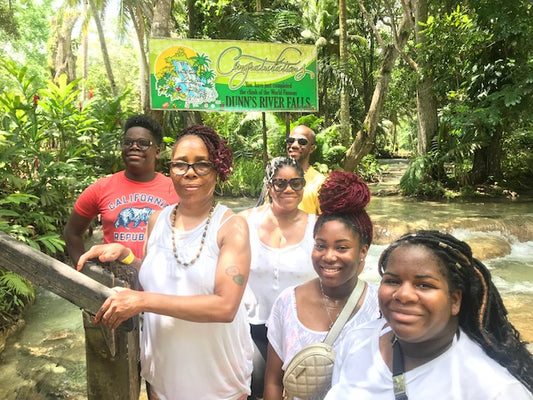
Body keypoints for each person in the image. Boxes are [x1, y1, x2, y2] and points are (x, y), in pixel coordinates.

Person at [77, 125, 254, 400]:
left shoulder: (232, 227)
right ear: (170, 170)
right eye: (180, 164)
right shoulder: (156, 220)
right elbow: (159, 276)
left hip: (217, 379)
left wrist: (141, 301)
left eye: (202, 164)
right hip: (162, 374)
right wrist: (125, 255)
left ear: (217, 170)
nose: (190, 172)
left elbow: (225, 306)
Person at [325, 230, 533, 399]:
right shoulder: (357, 342)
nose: (403, 295)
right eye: (392, 281)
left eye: (424, 285)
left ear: (455, 300)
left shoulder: (493, 389)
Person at [264, 171, 381, 400]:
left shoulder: (380, 307)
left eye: (341, 248)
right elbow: (273, 382)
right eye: (320, 245)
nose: (328, 256)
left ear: (363, 251)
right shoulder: (288, 303)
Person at [240, 156, 317, 399]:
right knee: (254, 387)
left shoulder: (318, 227)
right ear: (268, 186)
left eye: (296, 183)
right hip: (253, 326)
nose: (288, 190)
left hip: (303, 329)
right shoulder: (244, 222)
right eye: (280, 183)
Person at [64, 114, 179, 264]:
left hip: (162, 283)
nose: (134, 146)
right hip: (114, 283)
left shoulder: (176, 189)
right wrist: (86, 273)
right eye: (128, 142)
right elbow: (72, 233)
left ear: (157, 151)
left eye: (143, 143)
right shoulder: (101, 188)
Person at [286, 125, 325, 215]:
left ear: (311, 149)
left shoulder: (320, 183)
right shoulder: (276, 179)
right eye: (290, 141)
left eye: (302, 142)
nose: (294, 145)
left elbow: (325, 222)